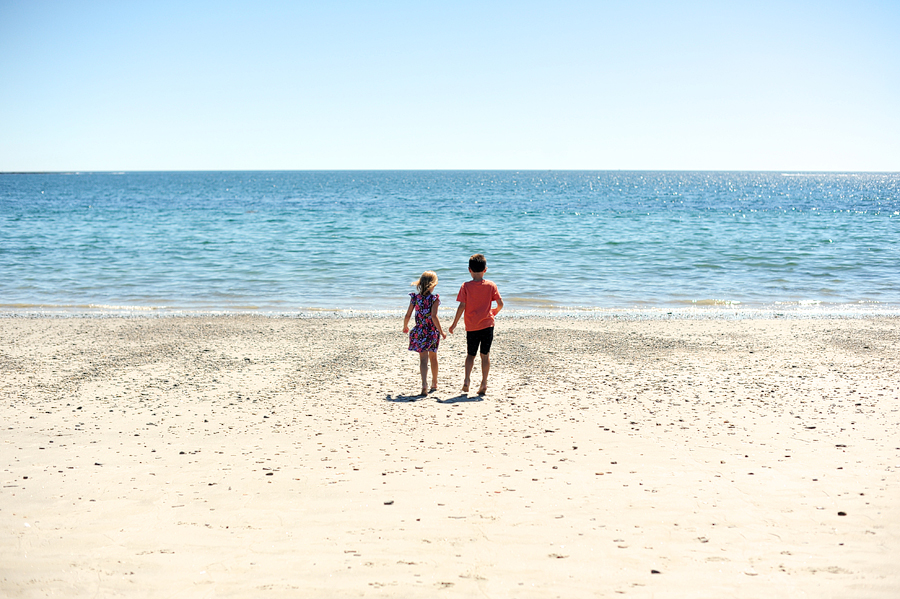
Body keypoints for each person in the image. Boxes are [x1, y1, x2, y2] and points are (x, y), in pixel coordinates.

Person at [448, 254, 503, 395]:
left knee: (470, 355)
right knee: (485, 355)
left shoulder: (465, 286)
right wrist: (494, 312)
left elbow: (461, 306)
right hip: (487, 325)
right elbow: (500, 304)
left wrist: (454, 324)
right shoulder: (491, 285)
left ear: (469, 270)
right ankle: (484, 383)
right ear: (485, 269)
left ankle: (467, 380)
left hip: (472, 326)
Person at [403, 271, 447, 396]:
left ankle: (424, 384)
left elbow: (408, 315)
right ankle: (434, 382)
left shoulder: (415, 298)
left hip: (420, 331)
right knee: (433, 358)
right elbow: (434, 316)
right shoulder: (434, 299)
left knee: (423, 359)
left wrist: (405, 326)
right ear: (433, 285)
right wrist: (441, 331)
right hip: (432, 332)